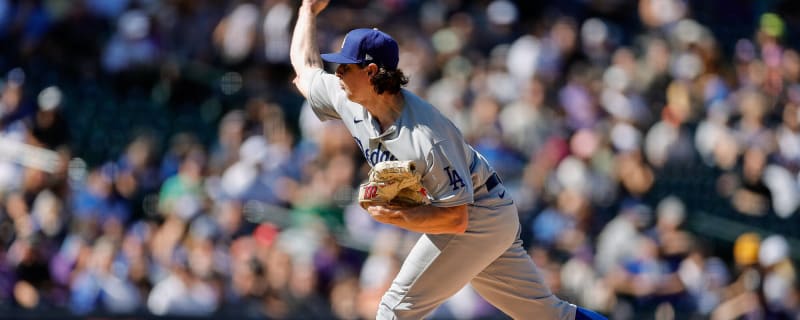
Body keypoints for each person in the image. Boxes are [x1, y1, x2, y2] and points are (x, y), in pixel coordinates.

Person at [289, 1, 607, 319]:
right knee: (547, 315)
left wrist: (399, 216)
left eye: (346, 66)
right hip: (485, 211)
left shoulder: (426, 135)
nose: (338, 72)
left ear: (371, 72)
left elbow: (456, 219)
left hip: (476, 215)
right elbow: (305, 70)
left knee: (394, 310)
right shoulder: (348, 97)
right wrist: (307, 11)